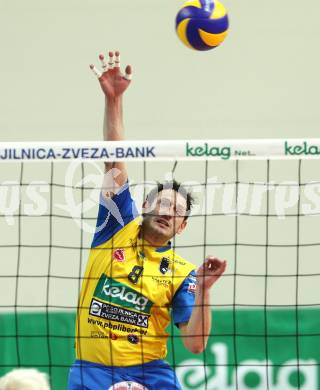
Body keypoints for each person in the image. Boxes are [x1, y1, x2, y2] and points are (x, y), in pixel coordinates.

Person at [68, 51, 227, 390]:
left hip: (150, 374)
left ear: (182, 226)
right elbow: (114, 159)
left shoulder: (183, 272)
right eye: (162, 203)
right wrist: (114, 101)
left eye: (177, 210)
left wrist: (205, 290)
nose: (168, 210)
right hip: (91, 373)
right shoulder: (117, 226)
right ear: (144, 206)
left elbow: (195, 345)